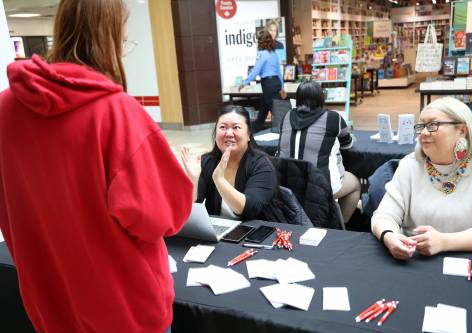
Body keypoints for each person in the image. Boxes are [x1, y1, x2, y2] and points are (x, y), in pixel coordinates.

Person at [0, 1, 192, 332]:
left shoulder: (5, 111)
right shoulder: (116, 115)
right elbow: (159, 218)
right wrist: (187, 178)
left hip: (51, 305)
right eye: (124, 40)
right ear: (110, 38)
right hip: (125, 312)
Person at [372, 97, 472, 260]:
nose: (424, 133)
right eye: (421, 126)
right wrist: (389, 236)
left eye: (433, 125)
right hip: (412, 261)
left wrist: (445, 242)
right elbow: (383, 215)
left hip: (467, 264)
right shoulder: (411, 165)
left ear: (461, 130)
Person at [278, 81, 361, 223]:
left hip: (287, 184)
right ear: (321, 98)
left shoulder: (286, 117)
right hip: (320, 185)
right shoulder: (333, 118)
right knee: (355, 184)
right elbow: (347, 144)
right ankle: (341, 225)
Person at [181, 105, 277, 220]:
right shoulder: (208, 161)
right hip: (216, 232)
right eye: (223, 127)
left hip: (254, 232)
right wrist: (193, 181)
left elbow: (249, 210)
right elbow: (193, 206)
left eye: (236, 127)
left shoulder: (262, 165)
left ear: (249, 135)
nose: (229, 133)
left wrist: (219, 180)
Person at [239, 30, 286, 132]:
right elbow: (279, 72)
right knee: (263, 111)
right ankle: (254, 131)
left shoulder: (262, 54)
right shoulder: (274, 54)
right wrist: (282, 87)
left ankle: (284, 132)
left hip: (268, 84)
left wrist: (244, 82)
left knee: (276, 112)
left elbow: (256, 71)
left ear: (261, 41)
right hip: (276, 83)